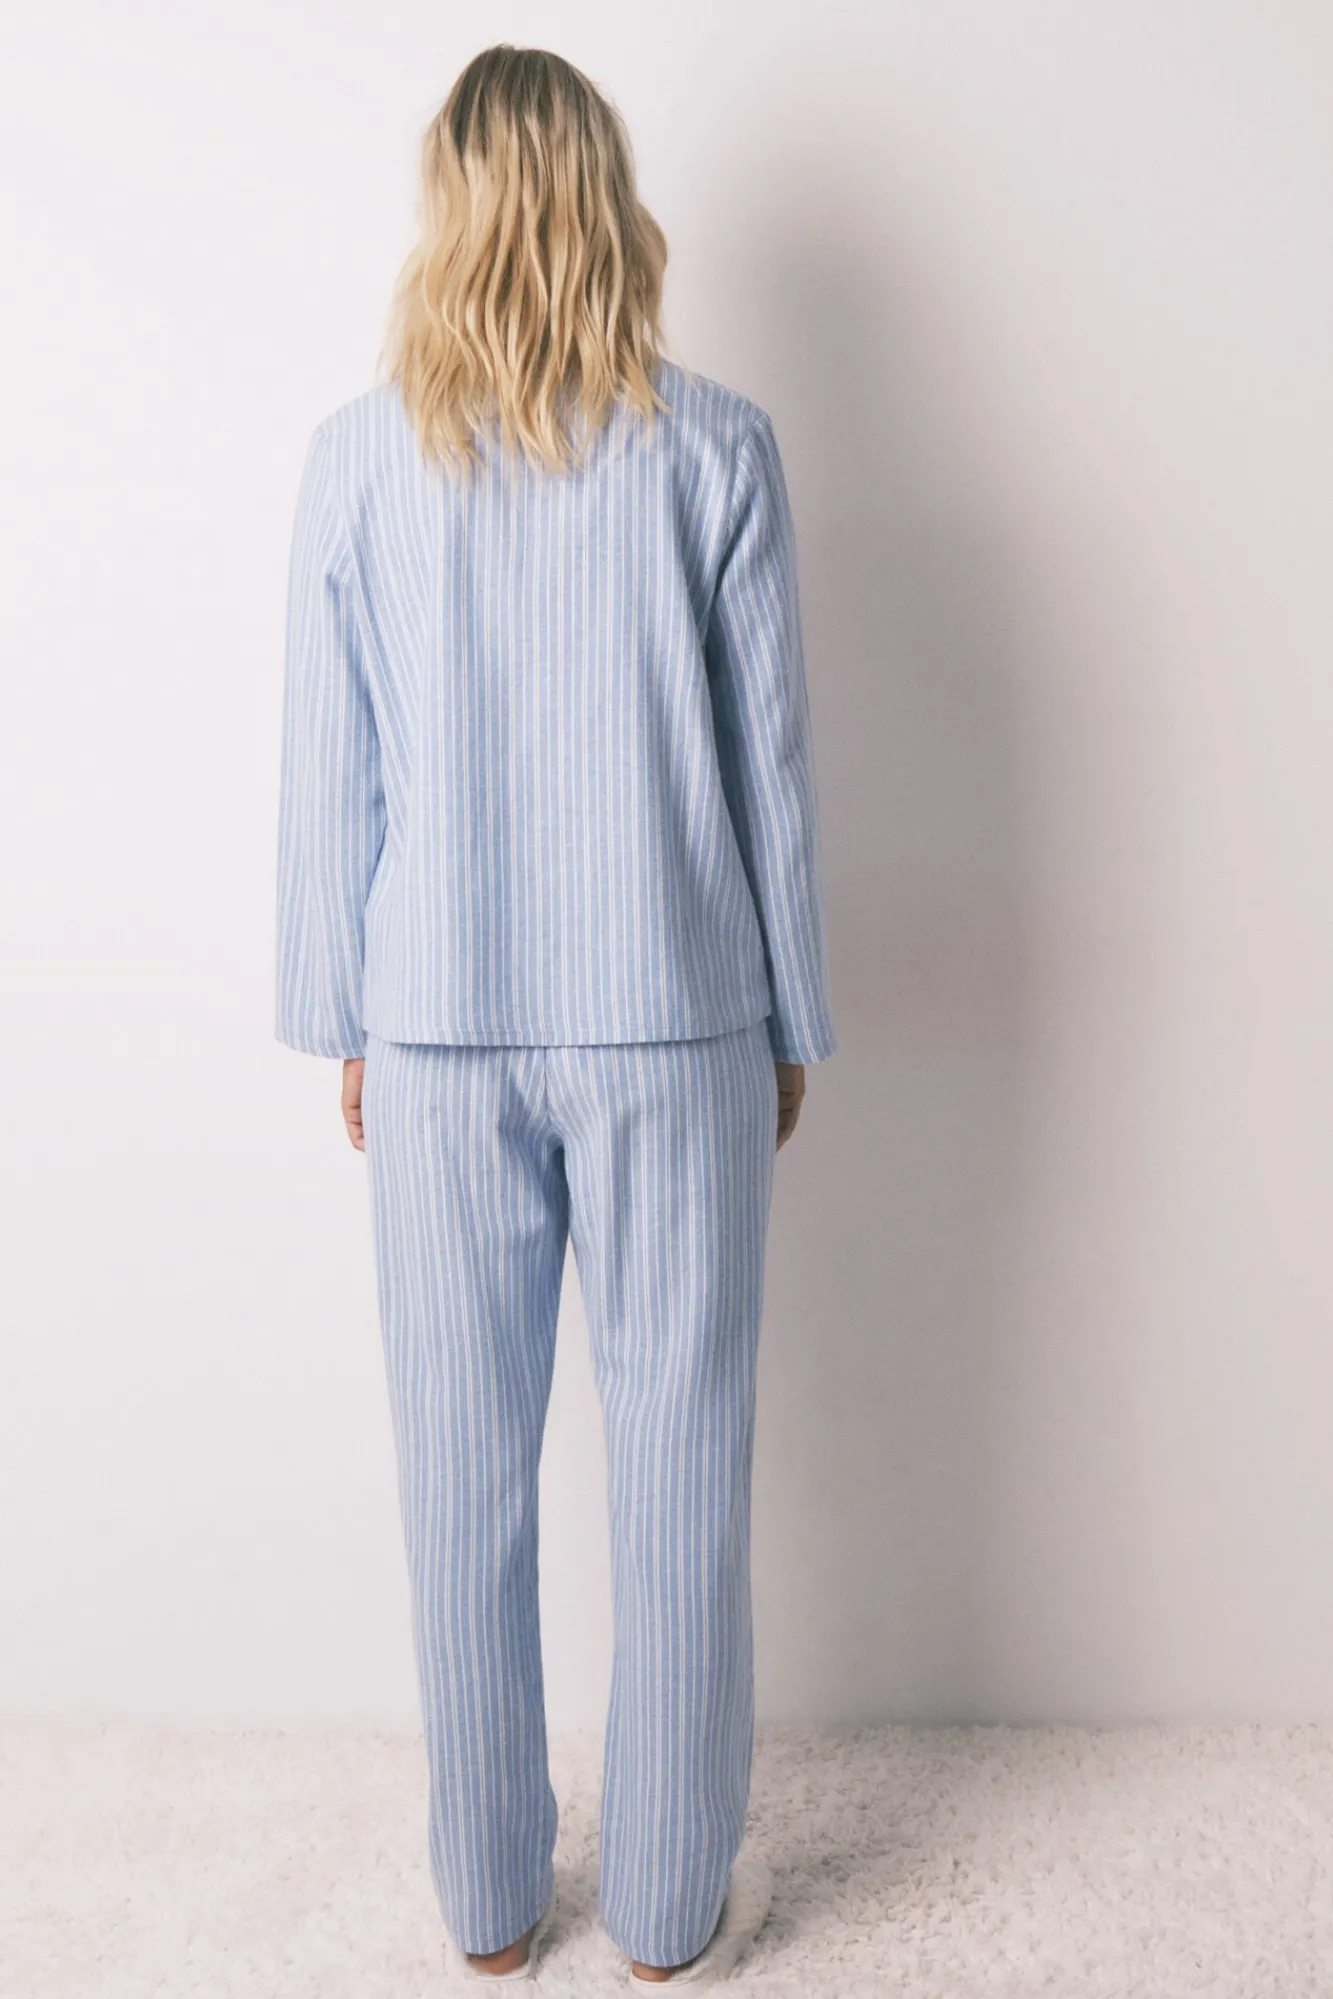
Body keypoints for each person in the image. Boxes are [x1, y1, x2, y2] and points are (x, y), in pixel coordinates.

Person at [275, 42, 836, 1988]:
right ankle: (670, 1911)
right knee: (683, 1465)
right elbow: (770, 768)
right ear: (609, 200)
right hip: (678, 1012)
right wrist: (789, 1015)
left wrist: (344, 1014)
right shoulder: (719, 448)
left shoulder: (358, 460)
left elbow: (329, 776)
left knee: (462, 1474)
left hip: (440, 1022)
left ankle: (493, 1903)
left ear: (450, 205)